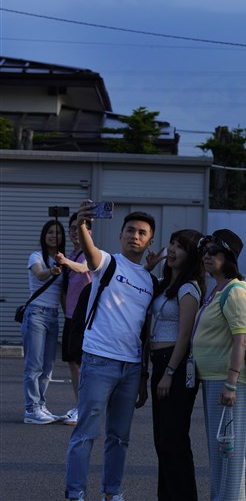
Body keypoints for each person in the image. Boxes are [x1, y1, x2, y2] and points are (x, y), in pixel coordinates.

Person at [65, 203, 159, 501]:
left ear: (149, 241)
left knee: (119, 438)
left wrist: (143, 375)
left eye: (142, 232)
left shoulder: (151, 281)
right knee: (85, 434)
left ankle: (112, 492)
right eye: (130, 230)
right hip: (98, 360)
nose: (135, 235)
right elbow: (91, 253)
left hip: (130, 368)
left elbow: (145, 331)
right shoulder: (108, 262)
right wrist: (81, 225)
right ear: (120, 235)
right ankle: (76, 493)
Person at [192, 229, 246, 501]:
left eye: (214, 251)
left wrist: (230, 383)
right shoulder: (218, 289)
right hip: (215, 380)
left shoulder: (235, 292)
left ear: (228, 257)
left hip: (228, 383)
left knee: (229, 453)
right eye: (205, 251)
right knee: (222, 452)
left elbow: (240, 340)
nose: (207, 256)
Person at [147, 229, 204, 501]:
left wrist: (169, 372)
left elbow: (185, 335)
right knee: (162, 441)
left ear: (191, 255)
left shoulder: (188, 287)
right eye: (171, 243)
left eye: (179, 247)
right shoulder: (164, 283)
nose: (171, 250)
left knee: (174, 440)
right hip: (159, 365)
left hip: (176, 368)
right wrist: (147, 268)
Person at [23, 218, 67, 424]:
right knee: (34, 365)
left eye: (57, 233)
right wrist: (52, 270)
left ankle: (40, 405)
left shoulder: (62, 259)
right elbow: (40, 275)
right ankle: (31, 409)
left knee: (48, 366)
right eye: (50, 232)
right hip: (36, 314)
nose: (53, 236)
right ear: (44, 235)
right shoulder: (36, 256)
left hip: (53, 316)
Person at [55, 211, 93, 426]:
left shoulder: (90, 253)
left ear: (89, 231)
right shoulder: (72, 253)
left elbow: (83, 269)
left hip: (84, 318)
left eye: (81, 228)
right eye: (73, 229)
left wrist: (66, 262)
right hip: (71, 317)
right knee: (72, 363)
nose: (75, 232)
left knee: (80, 364)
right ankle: (79, 405)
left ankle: (83, 408)